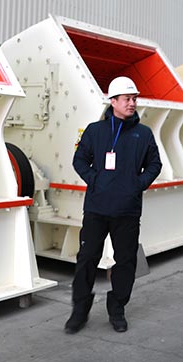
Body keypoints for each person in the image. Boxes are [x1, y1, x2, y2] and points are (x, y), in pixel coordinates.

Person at [64, 76, 162, 334]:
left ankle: (117, 308)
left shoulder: (144, 134)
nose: (132, 103)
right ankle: (80, 311)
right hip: (97, 208)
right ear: (113, 101)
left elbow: (155, 164)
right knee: (86, 259)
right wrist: (95, 180)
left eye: (134, 99)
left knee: (126, 261)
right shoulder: (95, 131)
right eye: (127, 99)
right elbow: (79, 160)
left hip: (127, 211)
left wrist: (137, 184)